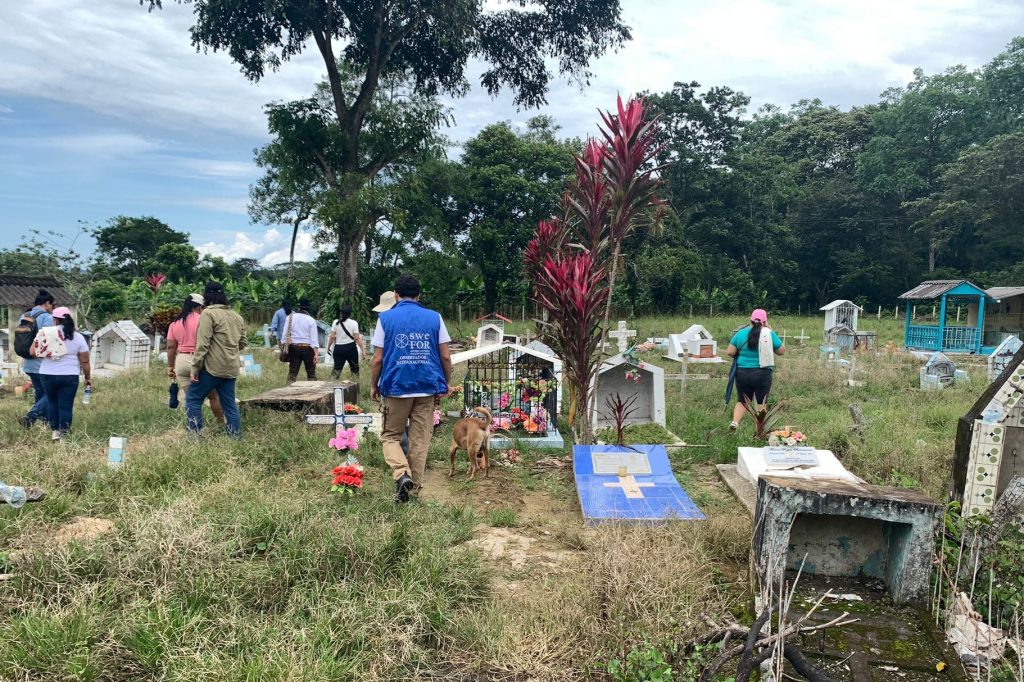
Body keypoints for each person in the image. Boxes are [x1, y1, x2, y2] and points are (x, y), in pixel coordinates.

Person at [371, 275, 452, 502]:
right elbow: (445, 355)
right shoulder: (435, 318)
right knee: (420, 440)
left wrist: (373, 385)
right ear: (419, 295)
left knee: (390, 436)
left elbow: (377, 359)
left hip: (396, 387)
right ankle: (414, 489)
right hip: (426, 388)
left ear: (396, 295)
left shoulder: (385, 318)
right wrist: (445, 383)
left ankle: (401, 474)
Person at [187, 281, 247, 437]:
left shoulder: (208, 313)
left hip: (211, 369)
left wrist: (195, 368)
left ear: (206, 296)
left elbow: (202, 344)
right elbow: (243, 342)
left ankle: (194, 436)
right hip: (230, 369)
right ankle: (235, 438)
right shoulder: (236, 316)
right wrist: (228, 351)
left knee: (193, 400)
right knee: (230, 407)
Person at [166, 293, 225, 424]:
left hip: (181, 361)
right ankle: (221, 423)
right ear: (201, 306)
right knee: (213, 396)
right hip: (200, 360)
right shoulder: (203, 320)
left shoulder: (175, 323)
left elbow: (171, 347)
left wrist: (171, 367)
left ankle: (194, 428)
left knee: (192, 399)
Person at [724, 308, 785, 431]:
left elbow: (730, 352)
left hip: (742, 373)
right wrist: (771, 331)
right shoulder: (769, 334)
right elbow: (781, 351)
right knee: (761, 402)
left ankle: (735, 423)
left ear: (750, 320)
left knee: (742, 400)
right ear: (765, 322)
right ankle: (759, 429)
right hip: (763, 373)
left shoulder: (740, 333)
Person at [38, 307, 91, 440]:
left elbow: (33, 352)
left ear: (55, 320)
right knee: (66, 405)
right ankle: (65, 435)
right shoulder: (78, 337)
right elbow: (85, 361)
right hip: (69, 376)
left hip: (47, 374)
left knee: (52, 402)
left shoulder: (45, 333)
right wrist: (88, 378)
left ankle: (55, 431)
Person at [18, 290, 55, 428]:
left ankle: (44, 422)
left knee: (40, 392)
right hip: (42, 364)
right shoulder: (47, 318)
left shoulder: (24, 315)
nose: (52, 308)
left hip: (28, 361)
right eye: (52, 305)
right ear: (47, 303)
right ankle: (31, 416)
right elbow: (50, 341)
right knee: (51, 393)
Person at [284, 299, 320, 384]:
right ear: (308, 309)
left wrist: (285, 347)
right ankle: (313, 391)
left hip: (294, 347)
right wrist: (316, 353)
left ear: (298, 308)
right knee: (311, 373)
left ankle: (288, 390)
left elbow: (285, 335)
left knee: (292, 372)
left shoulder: (290, 318)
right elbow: (314, 339)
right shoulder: (311, 320)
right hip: (307, 349)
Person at [328, 304, 363, 380]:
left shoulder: (335, 322)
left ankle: (331, 387)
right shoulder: (354, 323)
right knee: (354, 370)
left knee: (336, 370)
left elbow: (332, 337)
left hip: (338, 348)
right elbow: (357, 338)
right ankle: (355, 387)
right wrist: (363, 350)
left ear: (341, 313)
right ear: (350, 313)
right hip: (351, 348)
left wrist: (328, 347)